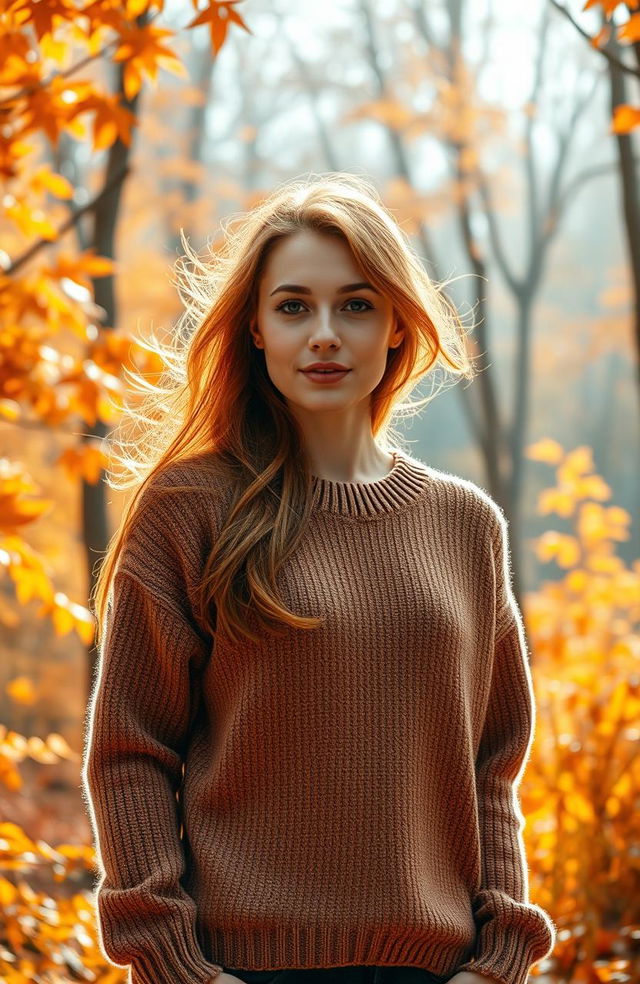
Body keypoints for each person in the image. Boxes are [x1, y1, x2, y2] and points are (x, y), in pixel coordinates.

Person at [81, 172, 556, 984]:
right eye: (294, 306)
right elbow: (131, 751)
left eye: (356, 305)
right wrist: (172, 963)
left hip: (438, 970)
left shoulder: (465, 524)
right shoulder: (192, 508)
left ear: (399, 327)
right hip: (241, 968)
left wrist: (501, 956)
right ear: (257, 329)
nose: (325, 334)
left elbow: (493, 762)